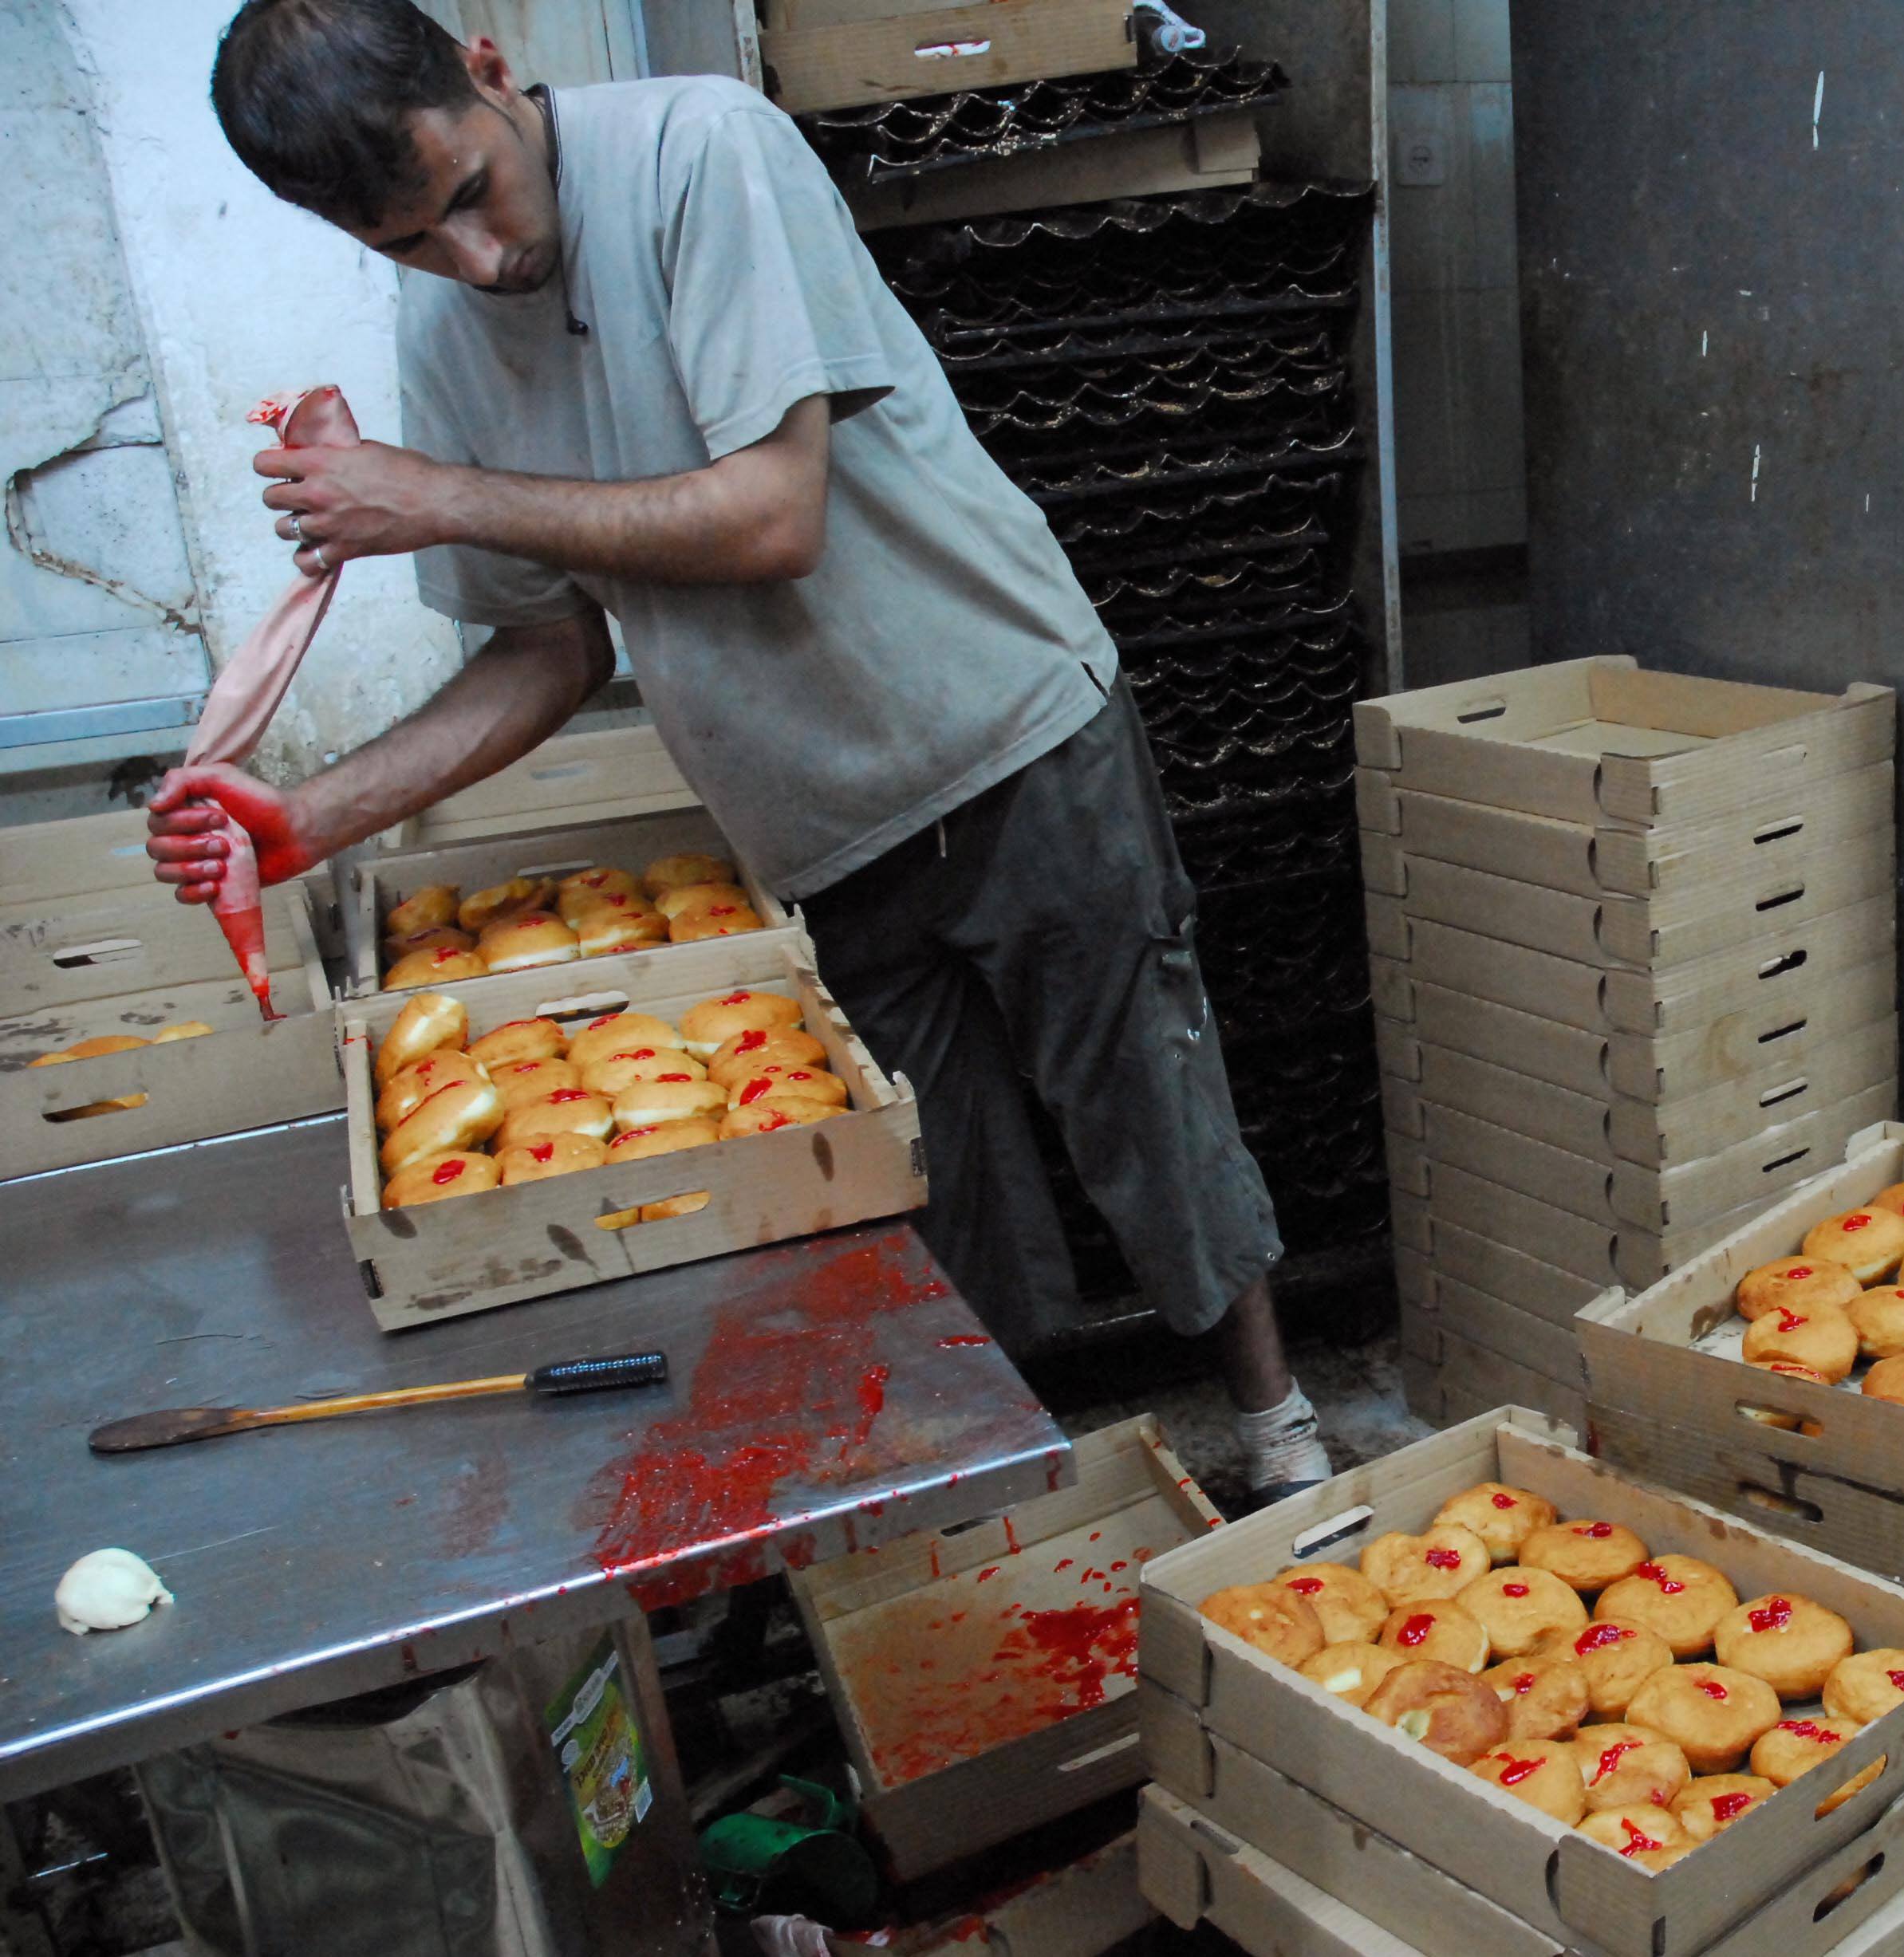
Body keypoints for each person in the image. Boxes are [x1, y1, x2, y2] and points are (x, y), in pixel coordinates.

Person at [148, 0, 1331, 1501]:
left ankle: (1281, 1428)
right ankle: (1016, 1510)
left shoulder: (704, 151)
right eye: (405, 246)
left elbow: (772, 514)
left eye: (466, 199)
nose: (474, 263)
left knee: (1148, 1109)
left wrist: (441, 495)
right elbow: (553, 647)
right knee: (936, 1202)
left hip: (1005, 730)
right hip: (816, 829)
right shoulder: (447, 321)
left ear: (494, 74)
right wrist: (306, 818)